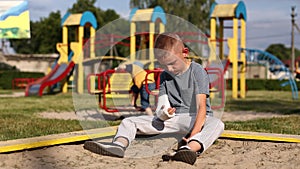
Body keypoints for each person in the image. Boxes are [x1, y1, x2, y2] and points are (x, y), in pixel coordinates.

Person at [84, 32, 224, 165]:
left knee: (217, 124)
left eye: (172, 63)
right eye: (164, 65)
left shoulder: (197, 71)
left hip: (196, 119)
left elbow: (202, 108)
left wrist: (193, 135)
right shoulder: (164, 76)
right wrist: (163, 114)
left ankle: (189, 149)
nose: (168, 68)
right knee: (129, 121)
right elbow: (161, 106)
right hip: (174, 119)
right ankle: (118, 145)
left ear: (185, 53)